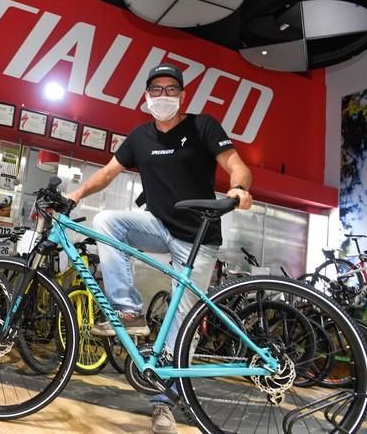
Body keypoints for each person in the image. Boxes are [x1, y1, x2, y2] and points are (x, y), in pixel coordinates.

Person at [65, 63, 253, 434]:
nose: (164, 96)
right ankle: (130, 311)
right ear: (146, 97)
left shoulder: (202, 126)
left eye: (172, 89)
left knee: (180, 329)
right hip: (158, 226)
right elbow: (106, 174)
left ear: (182, 96)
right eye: (157, 89)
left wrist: (239, 188)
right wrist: (74, 195)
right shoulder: (139, 136)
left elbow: (237, 165)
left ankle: (163, 405)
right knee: (106, 223)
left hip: (197, 236)